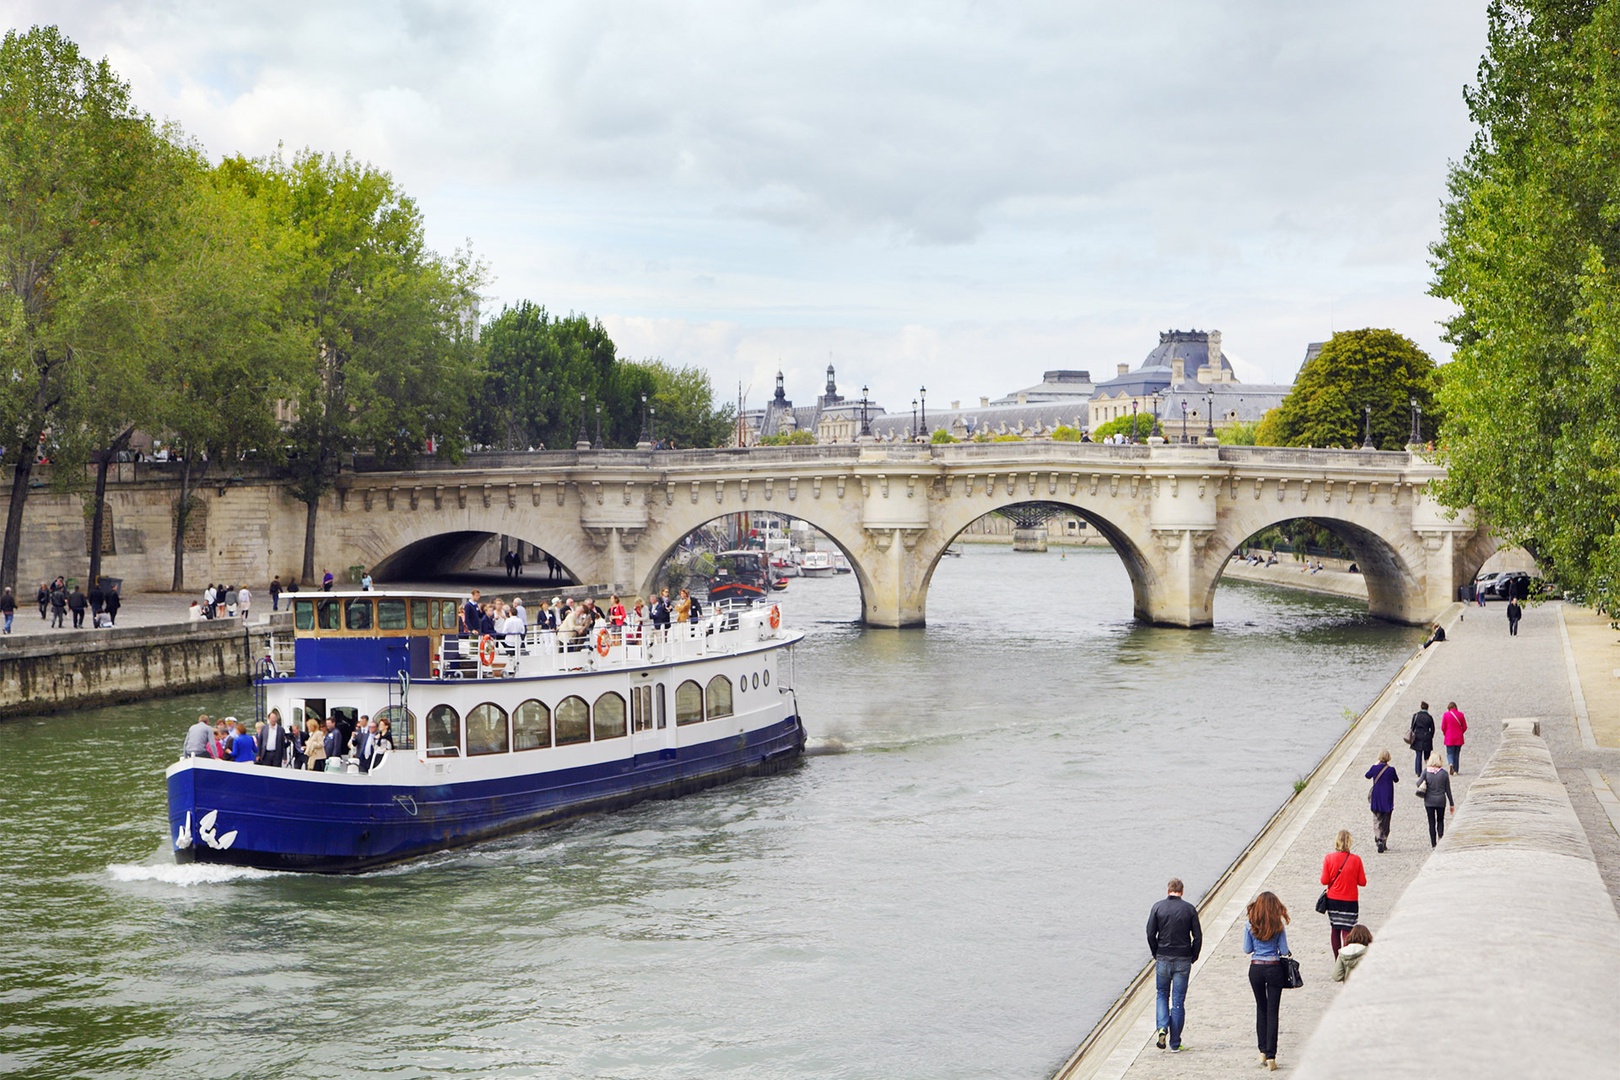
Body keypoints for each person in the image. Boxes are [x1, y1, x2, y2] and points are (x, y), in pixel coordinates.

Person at [1145, 877, 1202, 1054]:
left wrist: (1156, 952)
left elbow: (1149, 933)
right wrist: (1193, 955)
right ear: (1182, 891)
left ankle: (1162, 1028)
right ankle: (1175, 1043)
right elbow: (1198, 937)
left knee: (1162, 994)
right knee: (1178, 1001)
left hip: (1163, 957)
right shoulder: (1189, 909)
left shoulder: (1157, 907)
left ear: (1168, 890)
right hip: (1183, 959)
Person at [1243, 891, 1291, 1071]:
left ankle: (1262, 1050)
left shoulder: (1250, 924)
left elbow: (1247, 949)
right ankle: (1271, 1055)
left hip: (1256, 968)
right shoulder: (1278, 925)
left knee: (1260, 1008)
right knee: (1273, 1012)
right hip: (1274, 968)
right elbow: (1284, 950)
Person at [1320, 830, 1367, 957]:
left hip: (1333, 900)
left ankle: (1337, 959)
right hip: (1350, 901)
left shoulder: (1329, 858)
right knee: (1347, 930)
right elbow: (1362, 882)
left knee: (1335, 929)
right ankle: (1346, 959)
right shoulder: (1356, 860)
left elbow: (1324, 880)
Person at [1365, 750, 1400, 852]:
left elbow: (1367, 775)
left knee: (1377, 819)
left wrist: (1374, 765)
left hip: (1376, 798)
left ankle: (1378, 838)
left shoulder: (1375, 768)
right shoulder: (1391, 770)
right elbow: (1396, 779)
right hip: (1387, 799)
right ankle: (1383, 841)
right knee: (1386, 821)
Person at [1421, 751, 1455, 846]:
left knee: (1431, 822)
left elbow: (1418, 783)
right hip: (1441, 800)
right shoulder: (1444, 774)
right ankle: (1440, 835)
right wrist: (1451, 803)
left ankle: (1433, 844)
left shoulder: (1426, 772)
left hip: (1429, 801)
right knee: (1440, 820)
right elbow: (1448, 790)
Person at [1407, 701, 1436, 778]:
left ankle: (1418, 772)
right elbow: (1432, 729)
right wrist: (1430, 736)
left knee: (1418, 755)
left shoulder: (1416, 716)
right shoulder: (1429, 717)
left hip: (1417, 737)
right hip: (1426, 737)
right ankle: (1428, 770)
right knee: (1427, 756)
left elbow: (1412, 727)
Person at [1441, 701, 1468, 774]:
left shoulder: (1446, 715)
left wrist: (1445, 734)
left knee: (1450, 753)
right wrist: (1460, 732)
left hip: (1449, 737)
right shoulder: (1461, 715)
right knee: (1456, 754)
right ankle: (1456, 770)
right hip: (1458, 738)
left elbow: (1443, 727)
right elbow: (1465, 727)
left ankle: (1450, 763)